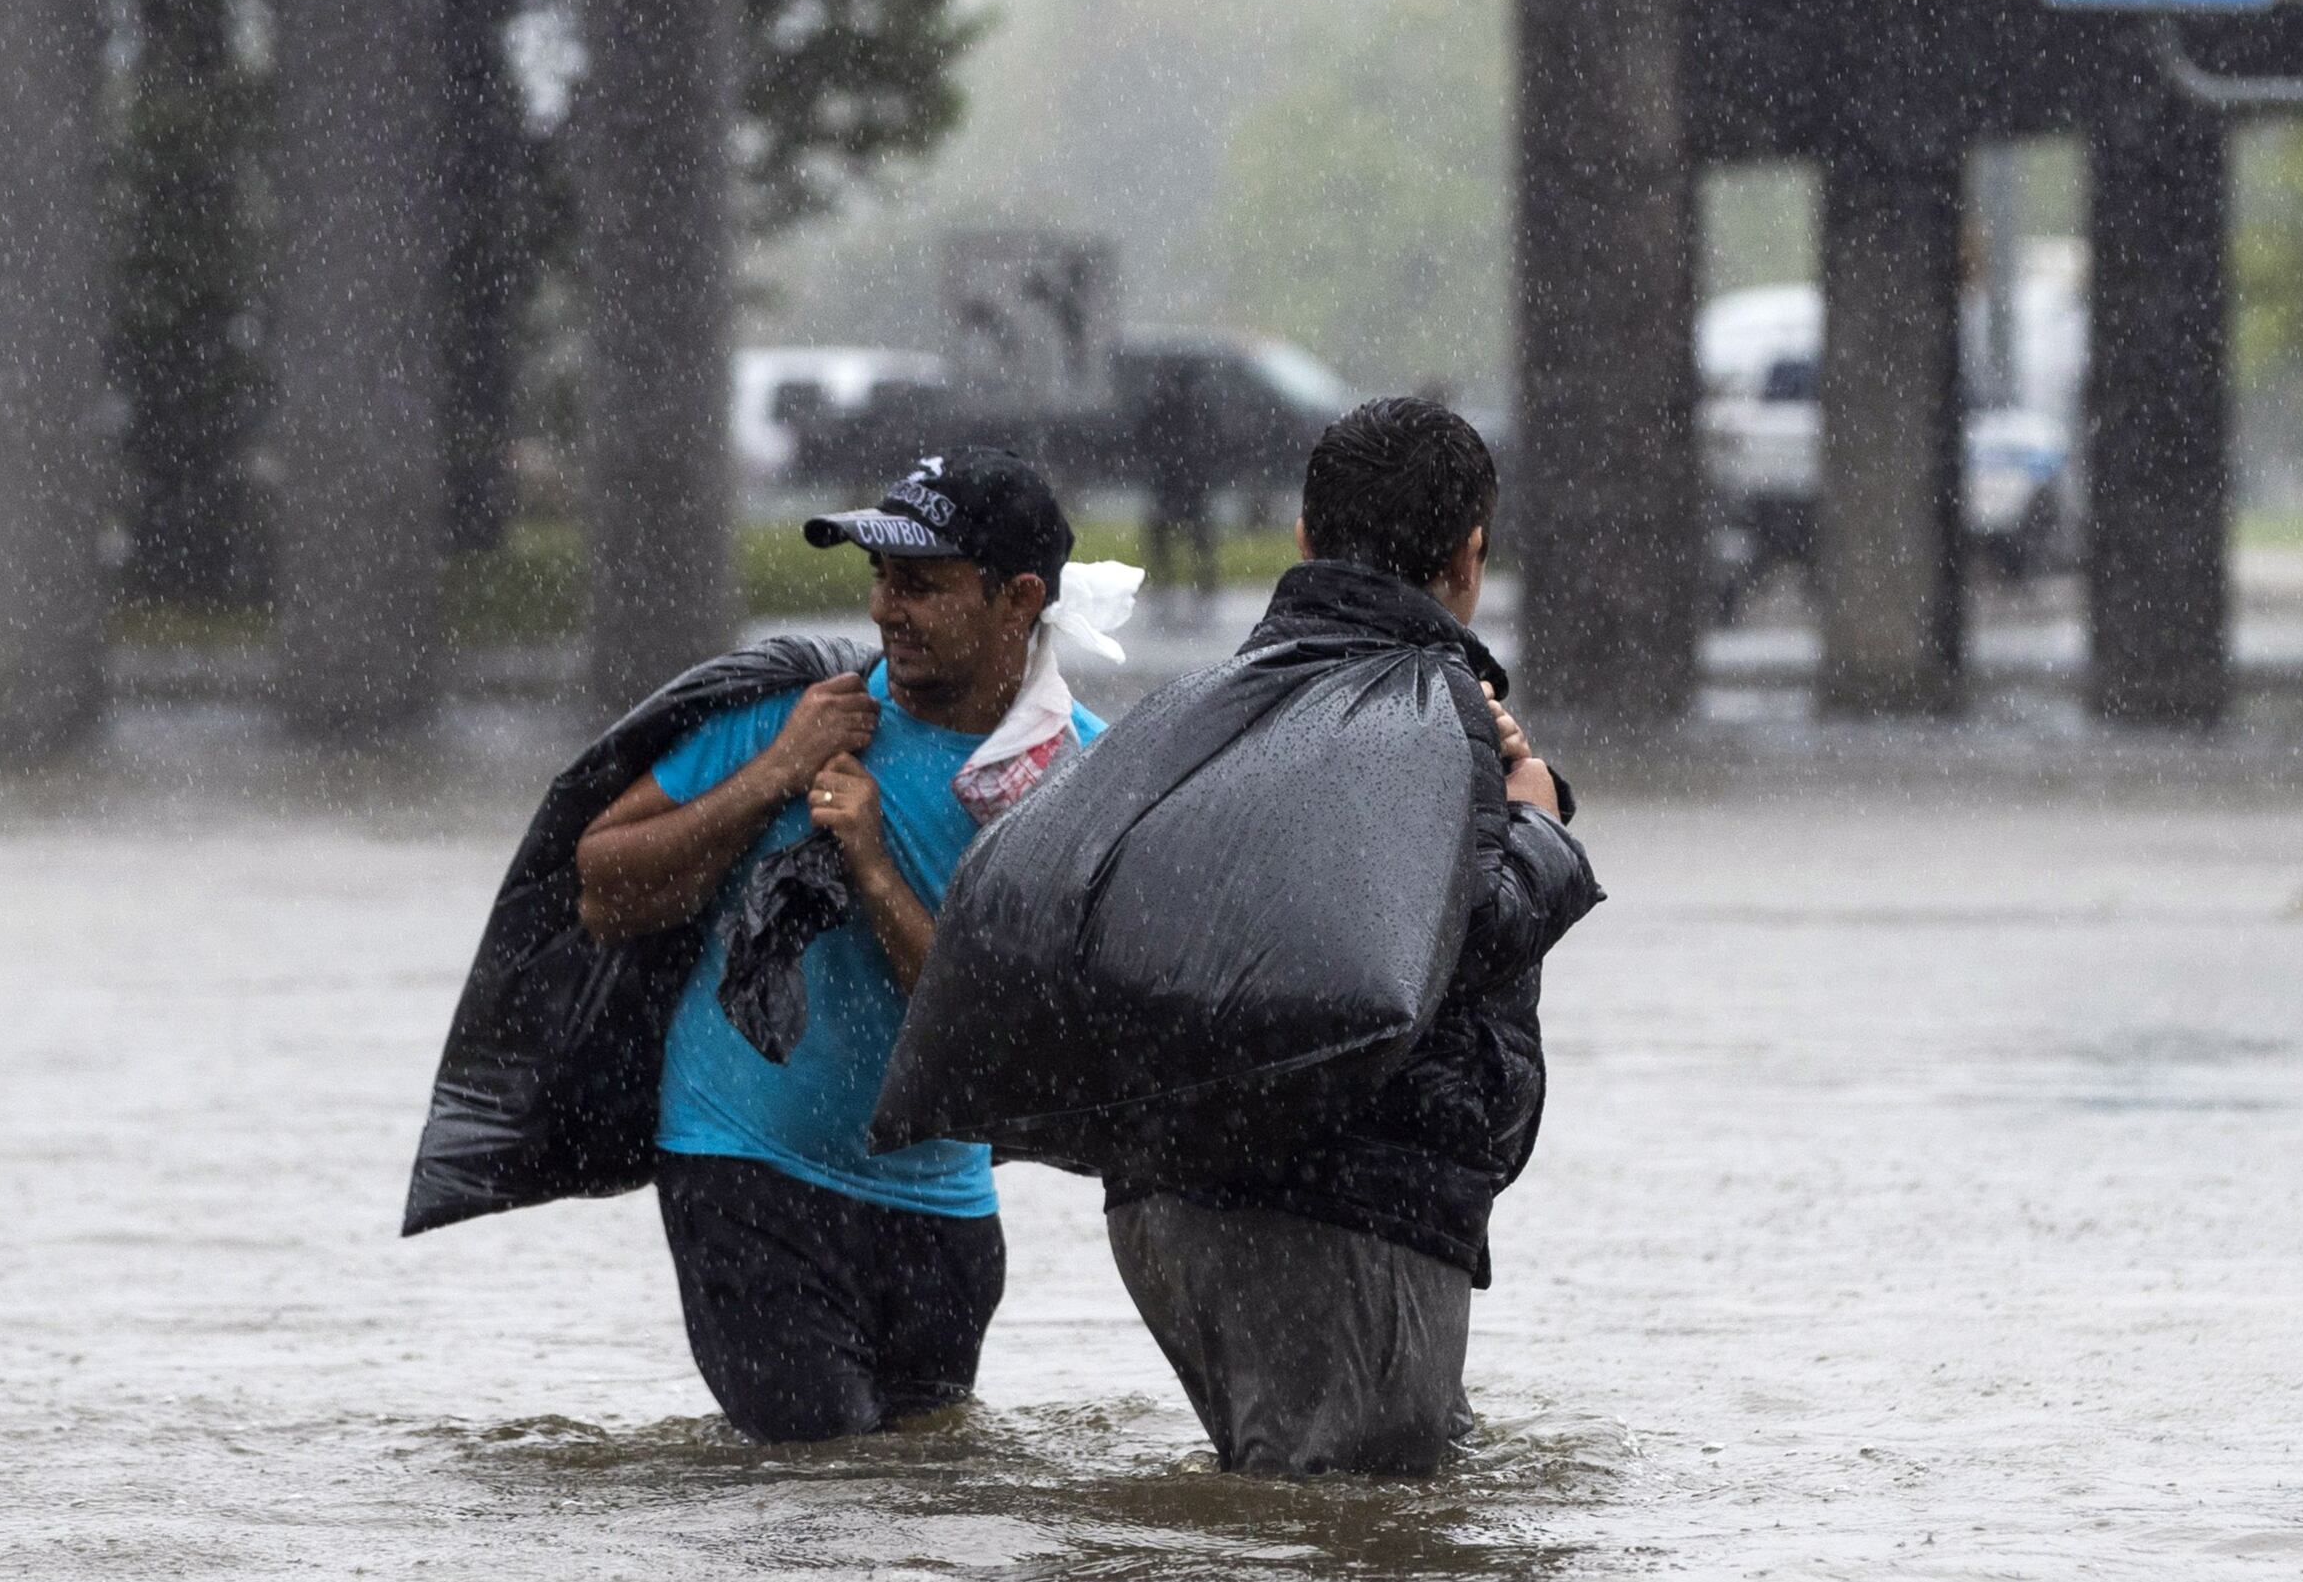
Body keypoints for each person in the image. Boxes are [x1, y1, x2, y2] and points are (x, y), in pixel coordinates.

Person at [1102, 396, 1603, 1477]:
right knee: (1348, 1558)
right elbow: (1452, 944)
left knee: (1280, 1524)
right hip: (1344, 1208)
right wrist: (1539, 818)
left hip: (1163, 1205)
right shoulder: (1427, 715)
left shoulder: (1208, 703)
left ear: (1301, 538)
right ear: (1471, 557)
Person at [571, 448, 1108, 1442]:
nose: (883, 608)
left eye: (921, 583)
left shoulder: (1076, 776)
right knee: (826, 1485)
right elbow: (604, 888)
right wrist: (775, 771)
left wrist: (869, 862)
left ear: (1018, 598)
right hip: (745, 1170)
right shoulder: (797, 714)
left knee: (914, 1519)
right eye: (879, 577)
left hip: (944, 1211)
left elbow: (993, 1047)